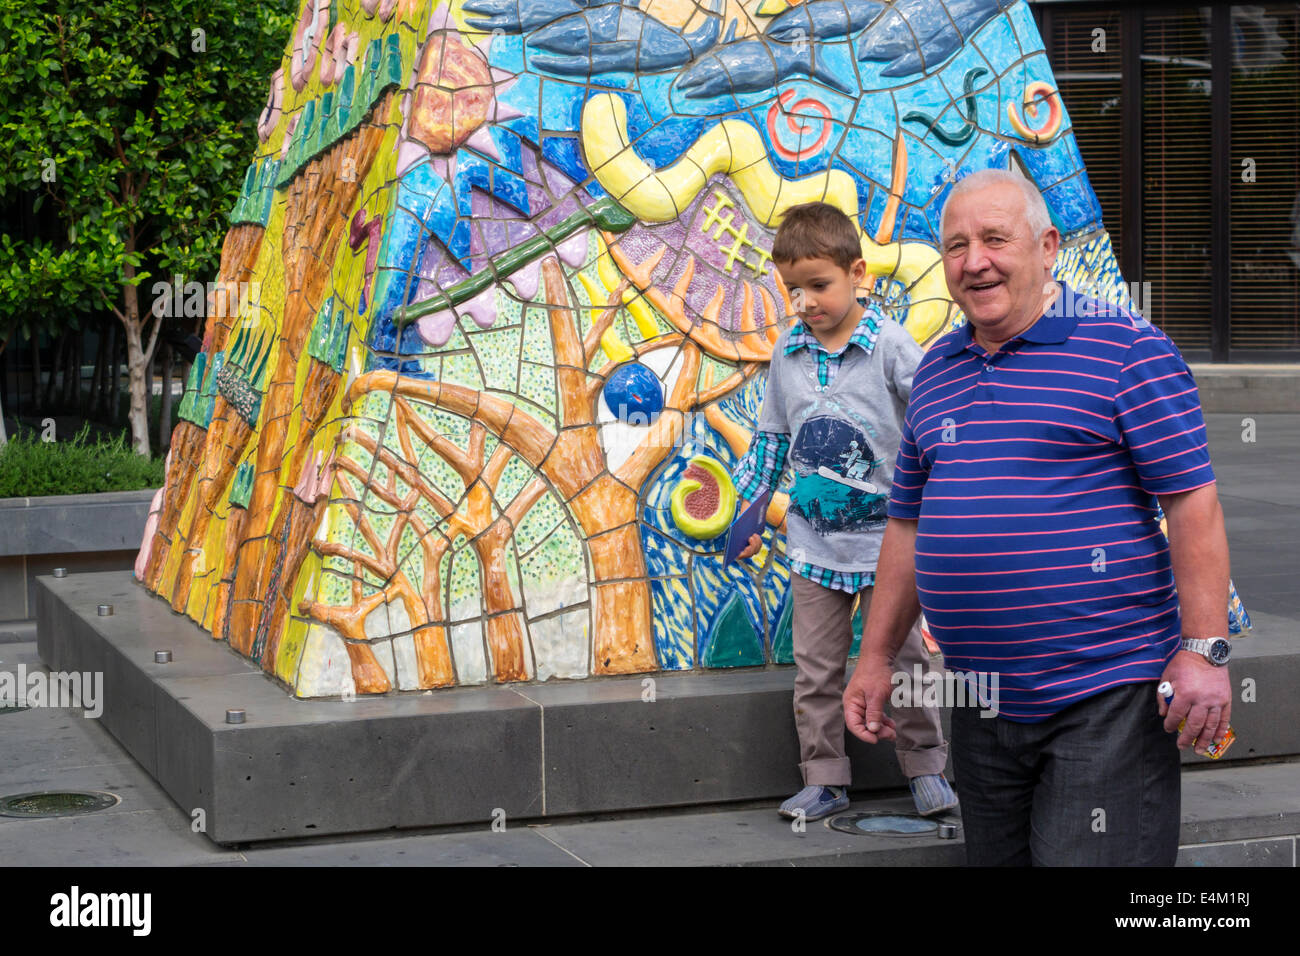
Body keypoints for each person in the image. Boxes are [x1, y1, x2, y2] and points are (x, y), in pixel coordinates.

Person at [843, 168, 1234, 865]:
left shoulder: (1126, 348)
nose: (973, 261)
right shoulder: (936, 369)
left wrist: (1204, 652)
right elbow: (907, 523)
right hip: (983, 698)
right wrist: (874, 658)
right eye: (956, 245)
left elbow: (1192, 500)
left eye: (995, 238)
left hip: (1105, 694)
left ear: (1048, 245)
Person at [733, 201, 956, 821]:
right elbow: (772, 439)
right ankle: (825, 776)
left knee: (908, 663)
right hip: (813, 547)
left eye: (819, 285)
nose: (805, 302)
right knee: (816, 671)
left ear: (858, 272)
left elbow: (934, 419)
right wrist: (748, 513)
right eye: (792, 290)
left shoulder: (889, 345)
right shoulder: (787, 354)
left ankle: (926, 766)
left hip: (888, 548)